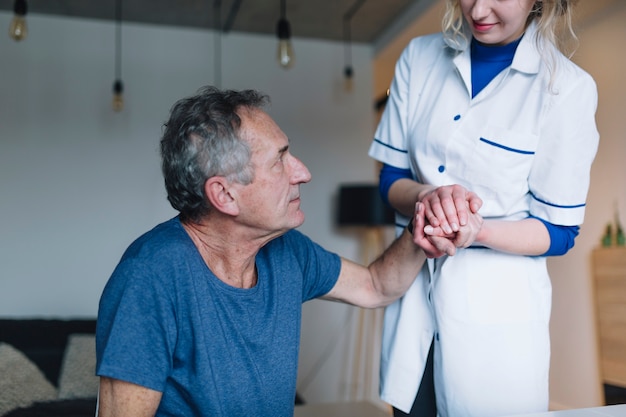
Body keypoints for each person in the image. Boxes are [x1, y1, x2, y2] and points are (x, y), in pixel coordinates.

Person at [94, 86, 466, 417]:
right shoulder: (149, 277)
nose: (302, 172)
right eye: (280, 160)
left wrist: (424, 224)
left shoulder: (286, 251)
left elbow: (375, 286)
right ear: (224, 195)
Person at [368, 0, 600, 416]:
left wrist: (477, 229)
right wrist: (429, 198)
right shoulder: (418, 58)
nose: (478, 9)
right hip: (414, 310)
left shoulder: (567, 88)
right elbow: (390, 178)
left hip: (498, 328)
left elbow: (560, 231)